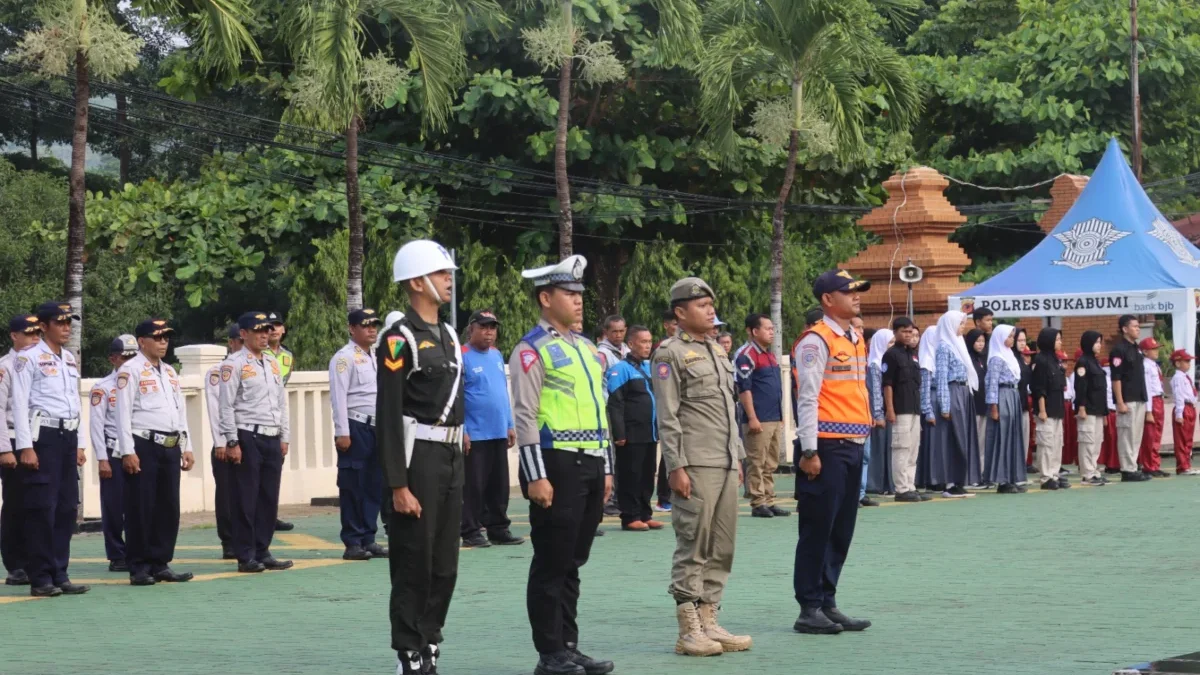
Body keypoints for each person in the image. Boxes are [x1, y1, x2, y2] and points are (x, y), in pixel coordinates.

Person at [510, 254, 615, 675]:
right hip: (556, 463)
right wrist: (536, 476)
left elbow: (600, 411)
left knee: (574, 561)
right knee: (552, 562)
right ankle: (549, 652)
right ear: (545, 297)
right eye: (569, 294)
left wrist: (607, 467)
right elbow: (525, 415)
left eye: (579, 294)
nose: (578, 301)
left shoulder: (589, 348)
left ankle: (569, 645)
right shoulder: (531, 349)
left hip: (590, 463)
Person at [377, 240, 465, 675]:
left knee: (446, 562)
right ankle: (408, 651)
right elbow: (389, 417)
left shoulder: (448, 334)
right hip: (419, 457)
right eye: (441, 273)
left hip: (451, 455)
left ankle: (431, 639)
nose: (450, 280)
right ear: (417, 282)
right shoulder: (398, 340)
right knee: (415, 560)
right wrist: (398, 485)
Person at [654, 276, 750, 657]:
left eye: (711, 303)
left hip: (724, 461)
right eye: (700, 305)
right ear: (680, 312)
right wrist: (675, 466)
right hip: (694, 462)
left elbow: (729, 409)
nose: (710, 310)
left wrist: (737, 457)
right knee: (693, 543)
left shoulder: (717, 350)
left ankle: (710, 619)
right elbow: (668, 414)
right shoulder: (670, 353)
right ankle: (688, 628)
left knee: (722, 545)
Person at [792, 270, 873, 635]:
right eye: (848, 291)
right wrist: (809, 449)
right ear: (828, 299)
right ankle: (809, 607)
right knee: (817, 528)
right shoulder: (816, 341)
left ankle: (827, 600)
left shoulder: (855, 337)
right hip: (824, 445)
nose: (856, 296)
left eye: (857, 291)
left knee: (841, 529)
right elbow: (807, 398)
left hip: (852, 444)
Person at [9, 302, 88, 597]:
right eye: (60, 322)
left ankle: (60, 572)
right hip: (43, 437)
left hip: (67, 437)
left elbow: (73, 402)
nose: (66, 327)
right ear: (43, 326)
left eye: (69, 322)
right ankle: (40, 577)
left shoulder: (68, 358)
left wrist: (79, 442)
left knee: (67, 508)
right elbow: (19, 403)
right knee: (42, 507)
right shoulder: (28, 358)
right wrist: (25, 447)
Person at [114, 319, 195, 586]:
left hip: (170, 445)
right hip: (143, 445)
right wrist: (127, 451)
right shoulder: (131, 370)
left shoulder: (170, 371)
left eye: (166, 338)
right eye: (157, 337)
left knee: (168, 507)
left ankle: (161, 562)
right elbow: (122, 413)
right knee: (141, 507)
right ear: (141, 341)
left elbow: (178, 412)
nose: (163, 342)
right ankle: (138, 566)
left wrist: (187, 446)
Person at [219, 311, 293, 574]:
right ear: (243, 334)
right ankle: (245, 554)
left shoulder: (273, 362)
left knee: (268, 498)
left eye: (267, 330)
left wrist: (285, 436)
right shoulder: (234, 364)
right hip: (247, 434)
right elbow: (226, 406)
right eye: (258, 330)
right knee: (245, 499)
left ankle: (263, 550)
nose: (265, 335)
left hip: (272, 436)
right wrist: (231, 441)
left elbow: (281, 402)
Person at [329, 307, 391, 561]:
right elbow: (338, 397)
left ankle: (369, 537)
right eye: (365, 325)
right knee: (353, 485)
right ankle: (353, 541)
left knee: (374, 485)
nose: (371, 329)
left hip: (378, 426)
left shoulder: (377, 356)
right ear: (352, 329)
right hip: (356, 426)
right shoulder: (344, 358)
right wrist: (342, 431)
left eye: (374, 324)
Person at [459, 309, 523, 548]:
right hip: (474, 434)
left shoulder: (496, 355)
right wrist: (462, 429)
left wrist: (509, 424)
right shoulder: (462, 355)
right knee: (473, 486)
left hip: (497, 431)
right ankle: (471, 530)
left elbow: (501, 393)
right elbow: (456, 397)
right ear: (471, 329)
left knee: (499, 485)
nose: (489, 333)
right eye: (484, 327)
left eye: (492, 327)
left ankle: (498, 528)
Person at [606, 324, 662, 532]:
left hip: (650, 432)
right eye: (643, 342)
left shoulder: (650, 367)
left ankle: (645, 514)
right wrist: (619, 433)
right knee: (631, 475)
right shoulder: (620, 369)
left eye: (649, 341)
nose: (648, 346)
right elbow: (615, 403)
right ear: (631, 344)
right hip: (631, 433)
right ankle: (630, 516)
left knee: (648, 475)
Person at [89, 334, 138, 572]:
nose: (129, 361)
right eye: (125, 356)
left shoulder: (142, 382)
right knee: (114, 506)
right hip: (113, 450)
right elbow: (96, 426)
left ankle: (139, 551)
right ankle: (117, 554)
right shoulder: (103, 388)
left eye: (133, 356)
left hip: (137, 449)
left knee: (139, 504)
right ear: (113, 358)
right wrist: (102, 458)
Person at [0, 314, 41, 586]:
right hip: (14, 441)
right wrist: (5, 449)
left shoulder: (43, 363)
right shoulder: (5, 367)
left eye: (38, 332)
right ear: (14, 336)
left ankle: (36, 561)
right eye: (28, 333)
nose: (35, 338)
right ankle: (15, 565)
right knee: (16, 506)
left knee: (39, 505)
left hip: (41, 439)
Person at [735, 313, 788, 519]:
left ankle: (769, 500)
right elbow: (744, 389)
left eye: (772, 328)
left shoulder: (769, 354)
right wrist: (752, 417)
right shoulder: (747, 355)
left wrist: (780, 416)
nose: (772, 332)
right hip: (758, 418)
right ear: (754, 331)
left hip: (773, 417)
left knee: (770, 463)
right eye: (767, 328)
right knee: (757, 462)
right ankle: (758, 502)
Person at [930, 311, 980, 499]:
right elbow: (941, 377)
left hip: (963, 392)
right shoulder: (944, 347)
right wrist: (944, 405)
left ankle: (959, 480)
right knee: (952, 438)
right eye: (960, 324)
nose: (963, 327)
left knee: (963, 438)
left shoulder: (958, 344)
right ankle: (949, 482)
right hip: (952, 392)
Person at [205, 324, 242, 559]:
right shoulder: (218, 371)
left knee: (247, 494)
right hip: (226, 440)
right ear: (231, 342)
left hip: (249, 437)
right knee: (227, 495)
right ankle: (228, 541)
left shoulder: (257, 366)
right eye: (239, 340)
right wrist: (221, 441)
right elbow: (215, 406)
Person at [884, 318, 928, 502]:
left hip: (914, 407)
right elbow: (887, 385)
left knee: (913, 449)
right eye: (904, 331)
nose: (909, 335)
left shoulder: (913, 354)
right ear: (895, 332)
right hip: (900, 408)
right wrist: (890, 409)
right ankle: (901, 489)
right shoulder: (891, 355)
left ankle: (911, 486)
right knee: (901, 447)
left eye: (911, 332)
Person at [982, 326, 1026, 494]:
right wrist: (993, 406)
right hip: (1002, 395)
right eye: (1009, 336)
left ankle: (1012, 477)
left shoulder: (1010, 356)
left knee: (1013, 437)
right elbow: (991, 383)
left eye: (1013, 336)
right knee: (1002, 438)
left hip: (1012, 395)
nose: (1012, 340)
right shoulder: (996, 358)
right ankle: (1002, 480)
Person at [265, 311, 296, 532]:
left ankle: (271, 515)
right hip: (258, 416)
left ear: (283, 329)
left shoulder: (287, 356)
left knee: (275, 471)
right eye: (269, 326)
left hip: (277, 415)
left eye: (277, 325)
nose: (273, 329)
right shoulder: (259, 354)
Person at [1110, 315, 1151, 482]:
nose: (1138, 329)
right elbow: (1116, 377)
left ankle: (1133, 466)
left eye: (1138, 326)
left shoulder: (1137, 349)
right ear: (1125, 329)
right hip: (1127, 399)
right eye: (1134, 326)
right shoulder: (1119, 350)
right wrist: (1120, 402)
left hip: (1139, 397)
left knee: (1135, 435)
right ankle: (1127, 469)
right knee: (1127, 434)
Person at [1031, 328, 1069, 490]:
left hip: (1057, 408)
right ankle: (1046, 477)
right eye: (1057, 339)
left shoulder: (1055, 360)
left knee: (1056, 443)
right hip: (1045, 409)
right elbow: (1039, 387)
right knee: (1046, 443)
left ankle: (1054, 473)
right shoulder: (1040, 360)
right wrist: (1042, 410)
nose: (1060, 342)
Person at [1074, 332, 1109, 486]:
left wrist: (1105, 412)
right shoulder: (1083, 362)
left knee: (1096, 441)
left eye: (1100, 342)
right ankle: (1087, 474)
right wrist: (1081, 407)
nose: (1099, 345)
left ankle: (1093, 470)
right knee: (1087, 441)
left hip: (1098, 408)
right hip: (1087, 408)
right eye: (1096, 342)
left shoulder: (1095, 362)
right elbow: (1081, 387)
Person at [864, 328, 893, 503]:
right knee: (878, 449)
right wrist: (878, 414)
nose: (891, 346)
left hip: (886, 410)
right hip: (878, 413)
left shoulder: (885, 362)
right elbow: (875, 391)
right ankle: (876, 484)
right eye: (889, 342)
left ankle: (885, 483)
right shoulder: (874, 364)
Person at [654, 308, 678, 513]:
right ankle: (664, 497)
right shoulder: (662, 350)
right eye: (674, 324)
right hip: (666, 409)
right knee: (668, 455)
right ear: (666, 326)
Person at [1137, 338, 1168, 478]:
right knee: (1150, 435)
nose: (1156, 351)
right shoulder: (1145, 366)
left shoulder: (1154, 365)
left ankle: (1154, 464)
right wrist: (1148, 410)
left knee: (1157, 434)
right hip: (1152, 401)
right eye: (1153, 349)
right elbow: (1147, 389)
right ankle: (1149, 465)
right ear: (1144, 351)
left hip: (1159, 399)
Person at [964, 328, 989, 487]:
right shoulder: (968, 359)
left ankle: (980, 474)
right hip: (972, 405)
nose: (980, 344)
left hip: (984, 405)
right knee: (972, 442)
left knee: (982, 442)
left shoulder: (983, 359)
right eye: (977, 341)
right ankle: (970, 475)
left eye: (982, 341)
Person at [1169, 350, 1200, 476]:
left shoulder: (1185, 377)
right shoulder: (1178, 378)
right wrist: (1179, 414)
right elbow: (1179, 396)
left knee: (1188, 439)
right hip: (1183, 408)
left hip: (1190, 407)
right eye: (1186, 361)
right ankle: (1182, 466)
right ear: (1177, 363)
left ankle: (1186, 464)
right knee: (1182, 439)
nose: (1189, 364)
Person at [915, 325, 938, 492]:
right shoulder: (926, 361)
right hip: (929, 405)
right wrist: (928, 411)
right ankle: (928, 478)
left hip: (934, 403)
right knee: (929, 445)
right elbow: (924, 391)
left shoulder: (935, 359)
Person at [1013, 328, 1033, 461]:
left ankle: (1022, 467)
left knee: (1025, 438)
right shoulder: (1010, 358)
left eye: (1024, 340)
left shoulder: (1022, 359)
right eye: (1019, 340)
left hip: (1024, 404)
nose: (1022, 343)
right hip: (1013, 404)